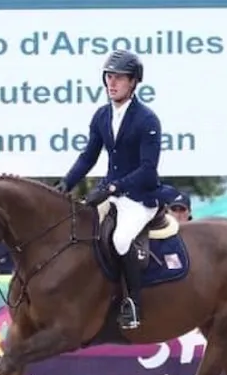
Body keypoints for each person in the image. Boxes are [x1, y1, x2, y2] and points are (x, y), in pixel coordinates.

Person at [56, 49, 163, 331]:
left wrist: (114, 186)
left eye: (119, 78)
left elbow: (147, 169)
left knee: (120, 240)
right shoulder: (102, 116)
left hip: (139, 197)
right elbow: (88, 157)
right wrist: (66, 182)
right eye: (109, 77)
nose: (112, 83)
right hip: (112, 194)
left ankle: (133, 304)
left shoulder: (146, 119)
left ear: (134, 82)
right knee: (79, 231)